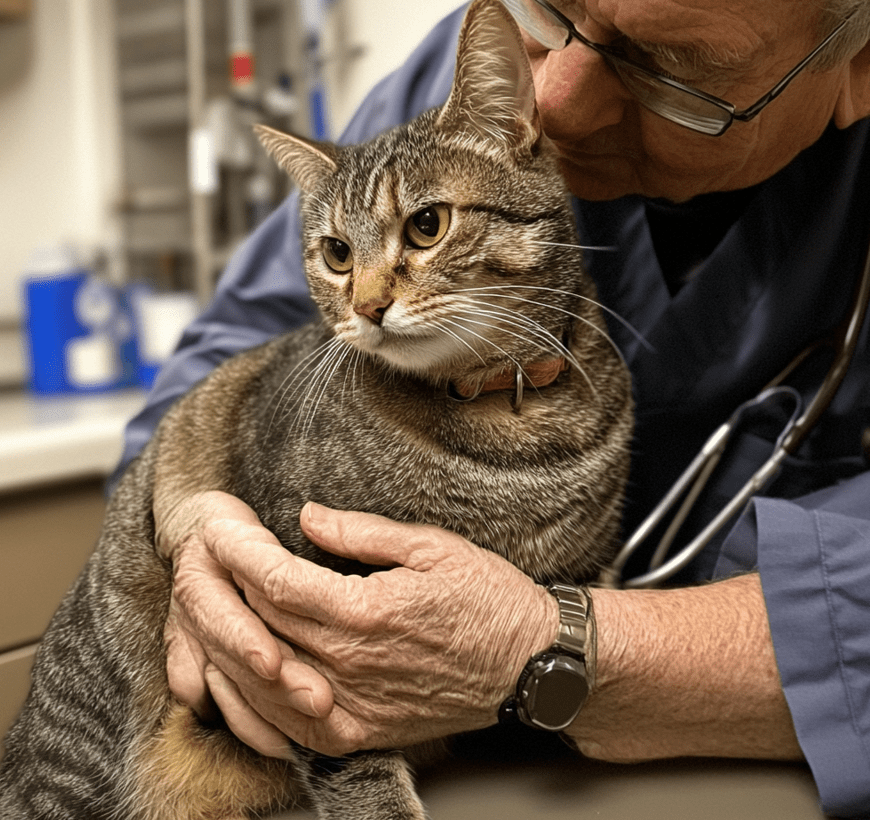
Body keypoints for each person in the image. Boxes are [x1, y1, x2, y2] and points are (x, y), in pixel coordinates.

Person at [114, 1, 870, 816]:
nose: (560, 101)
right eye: (551, 7)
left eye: (677, 64)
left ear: (857, 66)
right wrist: (200, 536)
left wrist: (560, 649)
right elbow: (224, 353)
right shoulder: (482, 66)